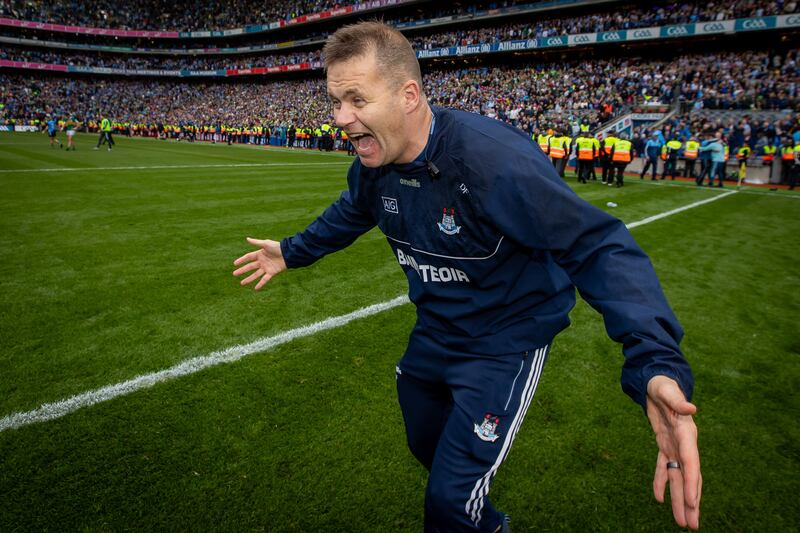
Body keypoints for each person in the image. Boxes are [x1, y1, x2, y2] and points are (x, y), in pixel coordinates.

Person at [233, 22, 701, 533]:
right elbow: (351, 211)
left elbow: (596, 245)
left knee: (450, 504)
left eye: (357, 101)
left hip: (504, 341)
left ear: (408, 95)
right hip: (435, 331)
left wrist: (655, 362)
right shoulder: (373, 164)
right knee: (425, 445)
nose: (342, 119)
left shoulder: (492, 161)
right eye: (334, 101)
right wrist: (291, 252)